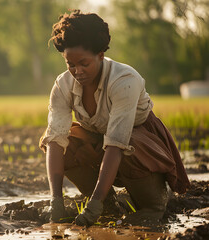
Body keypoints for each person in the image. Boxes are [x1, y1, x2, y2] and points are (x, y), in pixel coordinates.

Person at [39, 10, 190, 226]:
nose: (77, 71)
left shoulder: (124, 80)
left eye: (84, 63)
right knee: (64, 141)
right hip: (100, 140)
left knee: (129, 143)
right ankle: (108, 205)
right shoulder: (63, 86)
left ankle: (153, 204)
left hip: (140, 144)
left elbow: (116, 144)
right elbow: (55, 141)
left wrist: (94, 204)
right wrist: (56, 200)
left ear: (100, 55)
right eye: (70, 65)